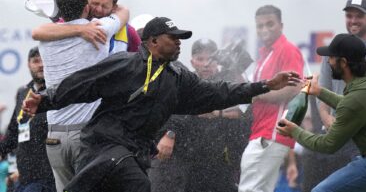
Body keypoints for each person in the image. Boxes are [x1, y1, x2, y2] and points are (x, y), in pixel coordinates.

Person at [23, 16, 301, 192]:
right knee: (140, 185)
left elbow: (220, 92)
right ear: (153, 41)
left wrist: (265, 85)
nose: (179, 43)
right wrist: (45, 101)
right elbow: (83, 83)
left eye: (181, 39)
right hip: (103, 145)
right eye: (174, 38)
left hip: (136, 153)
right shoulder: (126, 64)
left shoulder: (178, 77)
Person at [32, 0, 129, 192]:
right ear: (86, 7)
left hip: (54, 136)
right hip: (86, 134)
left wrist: (76, 28)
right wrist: (83, 28)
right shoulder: (100, 29)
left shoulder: (46, 38)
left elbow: (37, 31)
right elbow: (124, 12)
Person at [278, 33, 366, 192]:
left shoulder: (356, 99)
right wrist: (319, 91)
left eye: (330, 58)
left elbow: (328, 145)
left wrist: (294, 131)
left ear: (343, 63)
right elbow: (352, 106)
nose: (328, 62)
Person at [149, 38, 250, 192]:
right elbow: (168, 111)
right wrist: (169, 134)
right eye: (200, 59)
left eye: (210, 58)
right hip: (186, 158)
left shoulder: (227, 82)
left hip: (219, 162)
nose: (205, 64)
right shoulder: (183, 82)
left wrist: (237, 70)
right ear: (192, 61)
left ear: (218, 61)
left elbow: (246, 110)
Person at [302, 0, 366, 192]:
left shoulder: (360, 94)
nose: (353, 20)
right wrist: (327, 120)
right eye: (349, 15)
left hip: (362, 139)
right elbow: (322, 92)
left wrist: (293, 130)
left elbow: (354, 104)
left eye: (358, 16)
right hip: (339, 131)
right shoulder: (334, 49)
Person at [238, 5, 304, 192]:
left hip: (271, 132)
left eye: (270, 24)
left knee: (248, 189)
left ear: (281, 25)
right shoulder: (266, 54)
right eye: (260, 26)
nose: (264, 30)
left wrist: (256, 92)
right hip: (264, 131)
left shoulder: (288, 50)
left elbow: (294, 89)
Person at [32, 0, 141, 53]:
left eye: (104, 6)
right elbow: (37, 33)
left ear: (114, 7)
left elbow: (141, 62)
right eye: (95, 3)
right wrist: (82, 29)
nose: (98, 9)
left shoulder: (128, 31)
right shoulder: (72, 21)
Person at [0, 47, 55, 192]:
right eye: (36, 61)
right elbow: (13, 130)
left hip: (48, 174)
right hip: (24, 176)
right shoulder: (24, 92)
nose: (41, 64)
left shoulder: (56, 91)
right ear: (28, 64)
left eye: (43, 60)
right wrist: (1, 151)